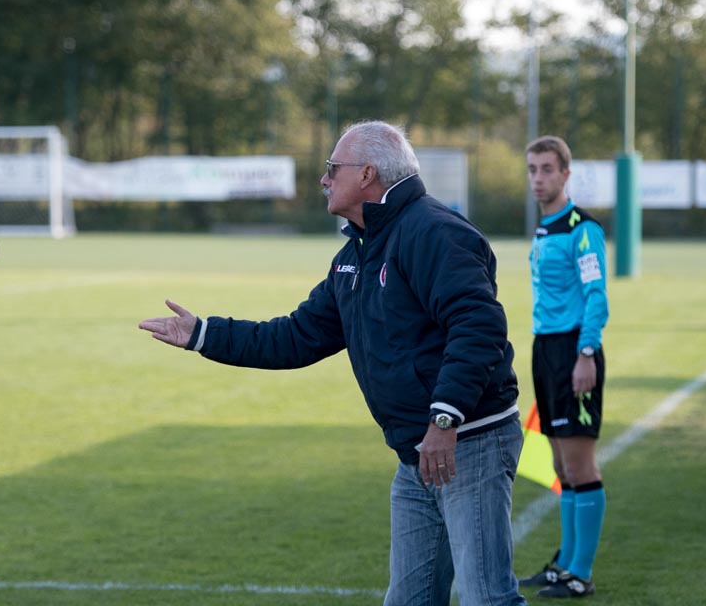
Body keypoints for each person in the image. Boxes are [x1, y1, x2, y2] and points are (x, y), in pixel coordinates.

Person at [139, 120, 528, 606]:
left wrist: (445, 418)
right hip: (416, 451)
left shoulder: (434, 231)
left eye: (332, 168)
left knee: (487, 598)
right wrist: (204, 334)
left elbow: (479, 325)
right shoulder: (356, 253)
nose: (324, 179)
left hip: (467, 441)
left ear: (367, 174)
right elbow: (296, 337)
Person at [518, 136, 608, 598]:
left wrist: (586, 353)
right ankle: (566, 563)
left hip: (574, 350)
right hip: (545, 351)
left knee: (580, 463)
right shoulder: (544, 229)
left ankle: (581, 574)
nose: (538, 178)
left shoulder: (582, 229)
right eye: (532, 169)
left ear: (566, 174)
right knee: (559, 464)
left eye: (547, 169)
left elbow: (596, 296)